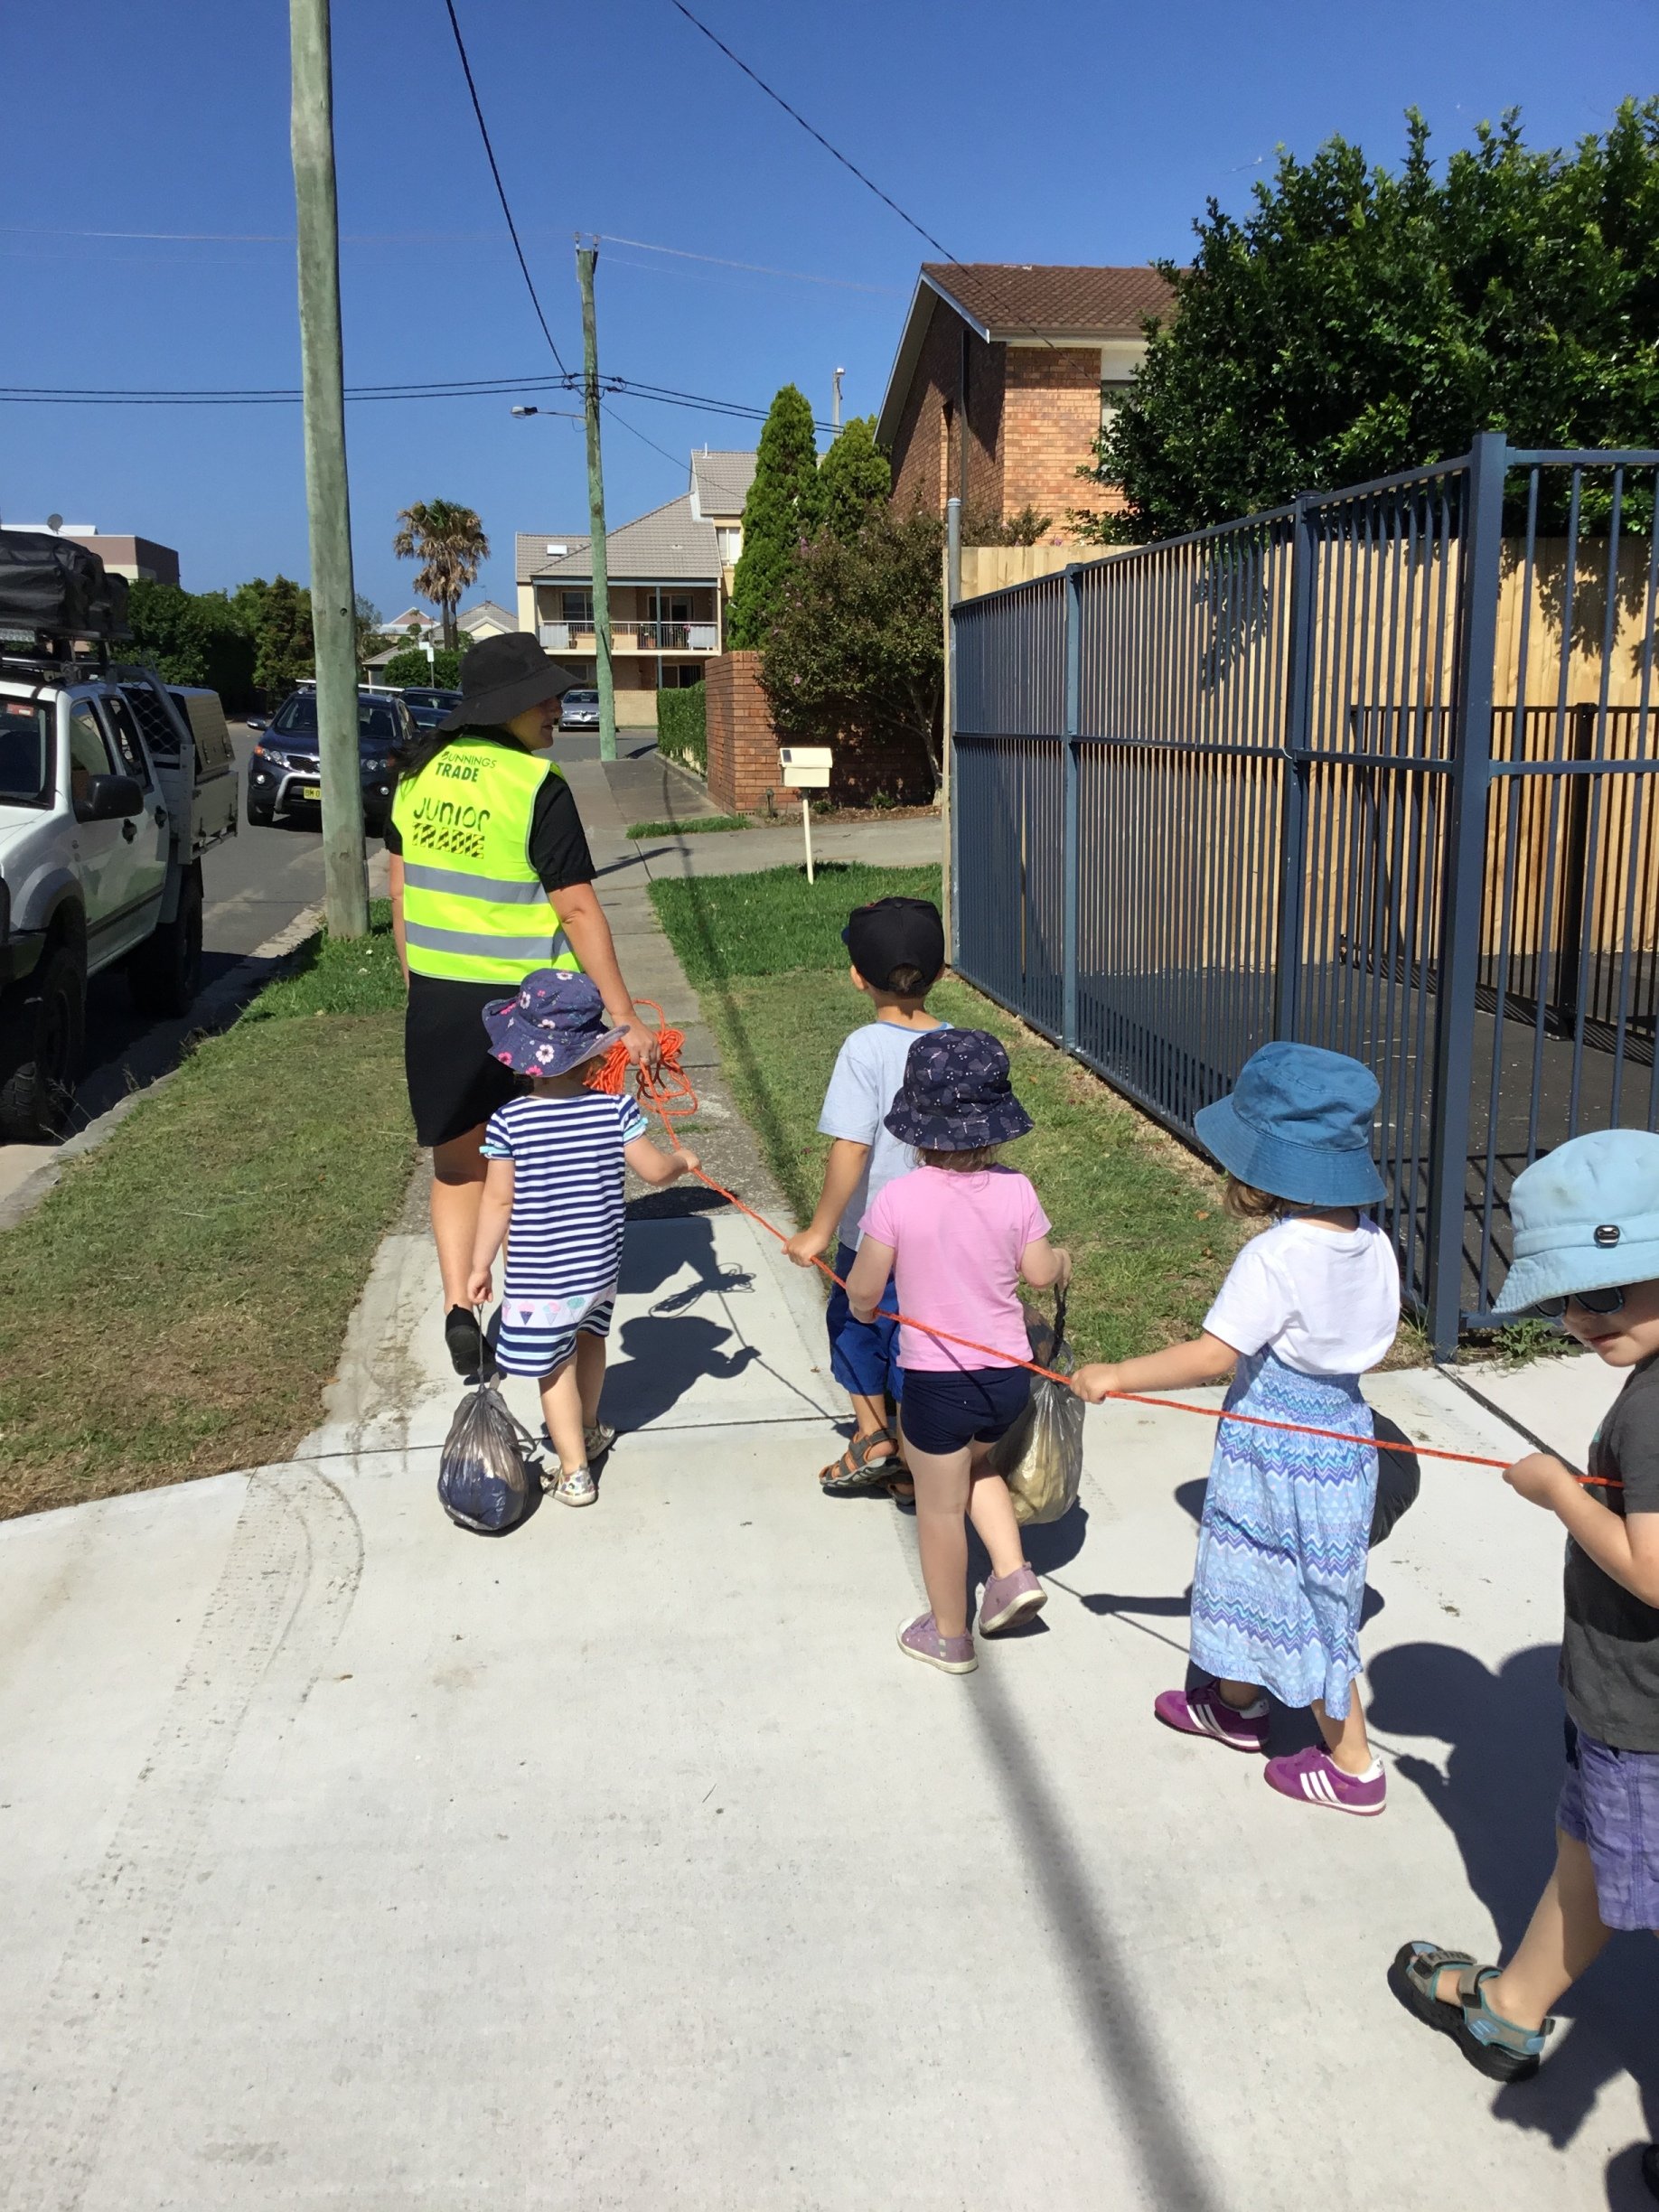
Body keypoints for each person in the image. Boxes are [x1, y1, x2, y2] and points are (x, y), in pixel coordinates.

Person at [1392, 1129, 1659, 2122]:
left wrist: (1558, 1492)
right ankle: (1511, 2007)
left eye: (1611, 1292)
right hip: (1619, 1708)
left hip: (1645, 1716)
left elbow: (1651, 1568)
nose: (1584, 1320)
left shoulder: (1653, 1414)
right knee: (1586, 1855)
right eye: (1569, 1299)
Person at [1073, 1041, 1400, 1814]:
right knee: (1259, 1570)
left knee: (1308, 1601)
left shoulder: (1276, 1255)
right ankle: (1235, 1702)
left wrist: (1115, 1374)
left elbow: (1213, 1356)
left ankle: (1353, 1765)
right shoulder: (1374, 1242)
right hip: (1343, 1443)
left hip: (1275, 1450)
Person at [386, 633, 658, 1381]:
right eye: (543, 696)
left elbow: (400, 886)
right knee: (530, 1164)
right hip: (531, 1014)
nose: (555, 707)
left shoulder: (417, 774)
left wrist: (418, 981)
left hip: (440, 1001)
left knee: (457, 1164)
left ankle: (456, 1304)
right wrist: (624, 1015)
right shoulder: (536, 785)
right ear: (502, 707)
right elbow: (575, 910)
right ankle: (519, 1301)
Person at [845, 1031, 1070, 1675]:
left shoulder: (898, 1199)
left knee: (939, 1508)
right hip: (1006, 1378)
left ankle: (948, 1635)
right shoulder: (1016, 1190)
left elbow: (865, 1288)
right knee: (978, 1466)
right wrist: (1062, 1260)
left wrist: (864, 1310)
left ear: (917, 1126)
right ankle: (1013, 1573)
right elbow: (1039, 1272)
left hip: (937, 1385)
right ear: (996, 1127)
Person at [464, 970, 698, 1506]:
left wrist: (479, 1267)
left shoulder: (508, 1122)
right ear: (595, 1054)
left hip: (542, 1274)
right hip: (598, 1265)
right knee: (591, 1342)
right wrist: (683, 1159)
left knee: (552, 1368)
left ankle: (573, 1471)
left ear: (521, 1055)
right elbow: (656, 1173)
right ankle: (589, 1430)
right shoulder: (613, 1110)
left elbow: (498, 1202)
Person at [783, 896, 947, 1496]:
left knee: (856, 1323)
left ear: (858, 976)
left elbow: (852, 1148)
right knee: (919, 1339)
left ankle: (874, 1435)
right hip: (943, 1236)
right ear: (941, 974)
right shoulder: (962, 1045)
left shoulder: (865, 1049)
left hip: (873, 1236)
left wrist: (820, 1229)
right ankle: (914, 1456)